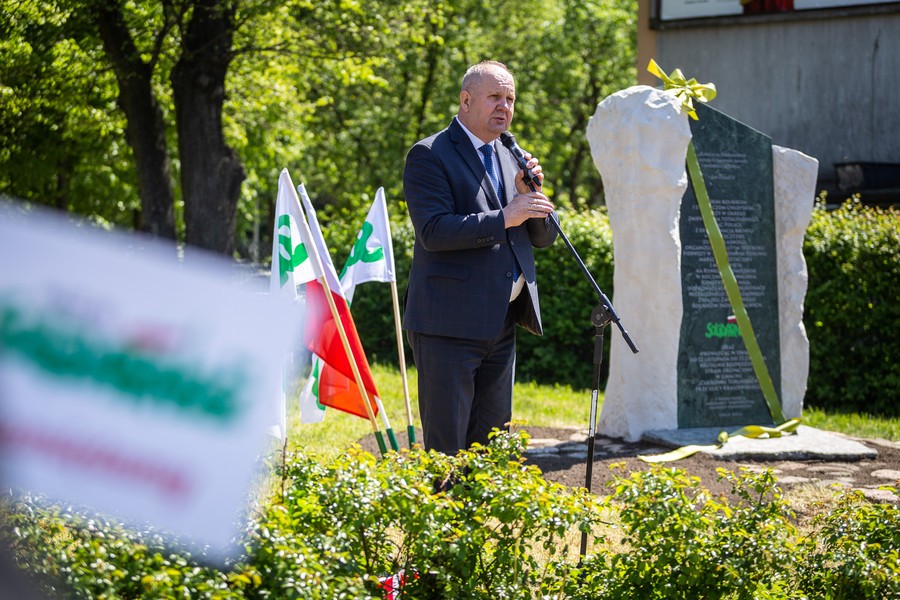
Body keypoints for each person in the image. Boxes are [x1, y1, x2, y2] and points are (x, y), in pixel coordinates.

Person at [402, 60, 558, 455]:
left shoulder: (511, 154)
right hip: (448, 325)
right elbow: (433, 231)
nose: (504, 106)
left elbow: (543, 238)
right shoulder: (430, 154)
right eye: (494, 97)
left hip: (501, 323)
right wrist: (506, 216)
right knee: (448, 448)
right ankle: (445, 499)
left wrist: (530, 197)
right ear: (466, 100)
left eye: (510, 99)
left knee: (491, 444)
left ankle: (478, 498)